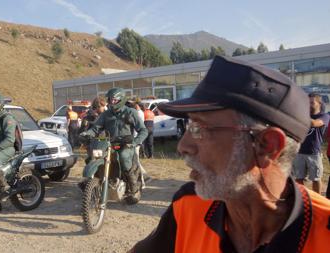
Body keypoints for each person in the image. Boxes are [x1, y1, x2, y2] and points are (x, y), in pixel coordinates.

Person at [128, 56, 330, 253]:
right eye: (188, 125)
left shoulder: (324, 232)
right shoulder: (189, 206)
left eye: (199, 128)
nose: (183, 146)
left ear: (267, 145)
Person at [81, 87, 148, 202]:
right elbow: (96, 128)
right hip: (109, 143)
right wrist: (87, 133)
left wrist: (135, 142)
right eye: (110, 100)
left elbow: (143, 130)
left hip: (126, 144)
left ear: (121, 100)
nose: (112, 102)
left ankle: (134, 190)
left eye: (115, 100)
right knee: (94, 156)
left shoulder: (130, 112)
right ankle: (92, 184)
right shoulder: (106, 114)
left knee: (123, 156)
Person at [293, 93, 329, 194]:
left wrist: (298, 115)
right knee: (299, 178)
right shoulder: (304, 115)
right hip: (299, 152)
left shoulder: (324, 116)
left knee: (316, 179)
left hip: (314, 153)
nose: (309, 105)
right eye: (307, 102)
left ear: (319, 103)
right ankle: (303, 199)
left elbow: (314, 123)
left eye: (312, 102)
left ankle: (318, 199)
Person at [80, 96, 107, 164]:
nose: (96, 110)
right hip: (93, 142)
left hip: (104, 141)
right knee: (93, 161)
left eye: (99, 107)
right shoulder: (88, 117)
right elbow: (83, 130)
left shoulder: (107, 115)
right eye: (94, 107)